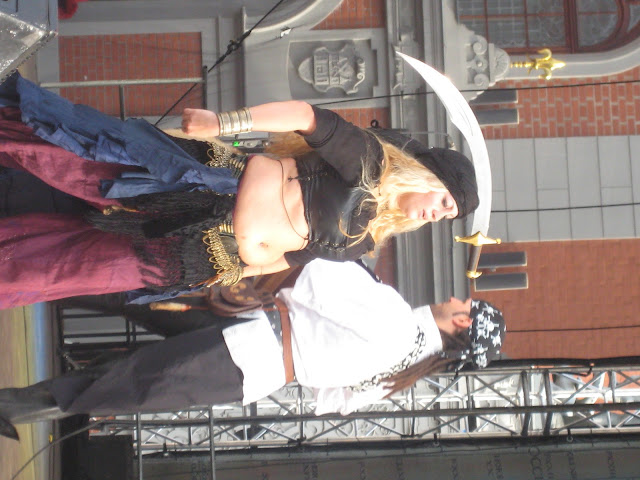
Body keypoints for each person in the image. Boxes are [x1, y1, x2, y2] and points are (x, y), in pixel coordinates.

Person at [0, 72, 478, 309]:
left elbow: (289, 258)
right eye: (444, 202)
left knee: (65, 269)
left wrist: (226, 279)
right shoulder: (370, 163)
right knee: (70, 154)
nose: (438, 214)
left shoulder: (366, 242)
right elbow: (308, 117)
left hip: (199, 255)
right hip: (195, 186)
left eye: (447, 216)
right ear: (428, 177)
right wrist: (221, 123)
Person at [0, 259, 505, 441]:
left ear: (462, 322)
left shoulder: (397, 319)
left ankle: (21, 276)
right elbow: (334, 400)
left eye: (465, 303)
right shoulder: (405, 372)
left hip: (254, 336)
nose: (457, 298)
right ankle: (11, 405)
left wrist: (357, 265)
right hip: (255, 364)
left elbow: (316, 278)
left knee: (129, 312)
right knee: (124, 381)